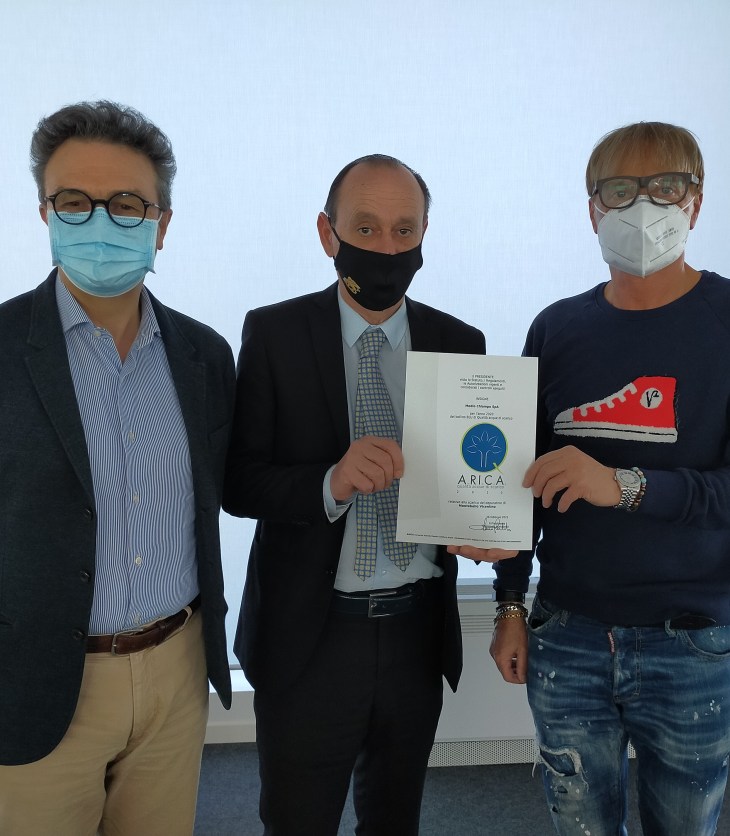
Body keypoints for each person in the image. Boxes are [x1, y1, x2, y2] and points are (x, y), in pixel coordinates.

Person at [223, 154, 517, 835]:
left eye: (404, 230)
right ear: (327, 233)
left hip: (416, 633)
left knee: (394, 820)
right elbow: (238, 482)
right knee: (297, 822)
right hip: (311, 635)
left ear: (424, 235)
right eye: (365, 227)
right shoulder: (275, 333)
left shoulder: (459, 342)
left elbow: (483, 472)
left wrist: (485, 529)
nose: (386, 247)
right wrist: (329, 481)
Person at [0, 101, 235, 836]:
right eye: (76, 201)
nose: (100, 221)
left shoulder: (205, 355)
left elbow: (223, 490)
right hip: (36, 678)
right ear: (46, 213)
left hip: (176, 669)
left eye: (127, 204)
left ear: (161, 224)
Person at [490, 122, 730, 835]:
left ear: (696, 201)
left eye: (666, 186)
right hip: (568, 633)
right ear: (592, 208)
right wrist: (509, 604)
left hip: (693, 642)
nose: (644, 204)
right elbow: (522, 483)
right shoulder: (556, 328)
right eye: (621, 189)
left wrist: (624, 486)